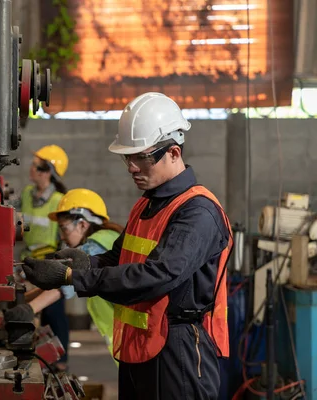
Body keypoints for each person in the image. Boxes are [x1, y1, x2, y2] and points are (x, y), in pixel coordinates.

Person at [20, 92, 232, 400]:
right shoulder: (145, 204)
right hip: (140, 346)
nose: (132, 167)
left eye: (141, 158)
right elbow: (116, 259)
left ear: (173, 152)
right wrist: (75, 262)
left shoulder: (196, 212)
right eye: (127, 158)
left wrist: (72, 278)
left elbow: (155, 276)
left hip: (180, 350)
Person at [6, 188, 123, 366]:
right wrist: (21, 300)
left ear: (82, 224)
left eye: (64, 228)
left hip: (130, 336)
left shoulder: (97, 245)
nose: (62, 236)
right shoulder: (109, 238)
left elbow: (66, 282)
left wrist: (28, 309)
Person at [9, 144, 72, 366]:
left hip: (50, 262)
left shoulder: (59, 200)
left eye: (36, 166)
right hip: (28, 262)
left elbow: (66, 239)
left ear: (47, 171)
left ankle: (61, 361)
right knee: (36, 316)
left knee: (54, 315)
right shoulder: (26, 194)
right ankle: (41, 358)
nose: (31, 168)